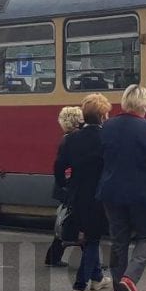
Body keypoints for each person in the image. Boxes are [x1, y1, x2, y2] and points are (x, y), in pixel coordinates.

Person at [98, 84, 146, 291]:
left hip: (112, 192)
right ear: (143, 104)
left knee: (118, 240)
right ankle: (131, 277)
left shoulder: (107, 126)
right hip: (142, 193)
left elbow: (101, 157)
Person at [53, 95, 113, 291]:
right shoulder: (106, 138)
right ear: (103, 115)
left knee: (87, 236)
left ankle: (97, 277)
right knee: (93, 239)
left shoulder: (72, 138)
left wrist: (66, 186)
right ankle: (80, 286)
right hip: (98, 194)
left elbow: (59, 167)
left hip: (77, 194)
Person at [44, 105, 84, 267]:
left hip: (65, 186)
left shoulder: (66, 138)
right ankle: (91, 261)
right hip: (70, 186)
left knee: (68, 221)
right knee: (76, 221)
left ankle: (52, 257)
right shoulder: (73, 139)